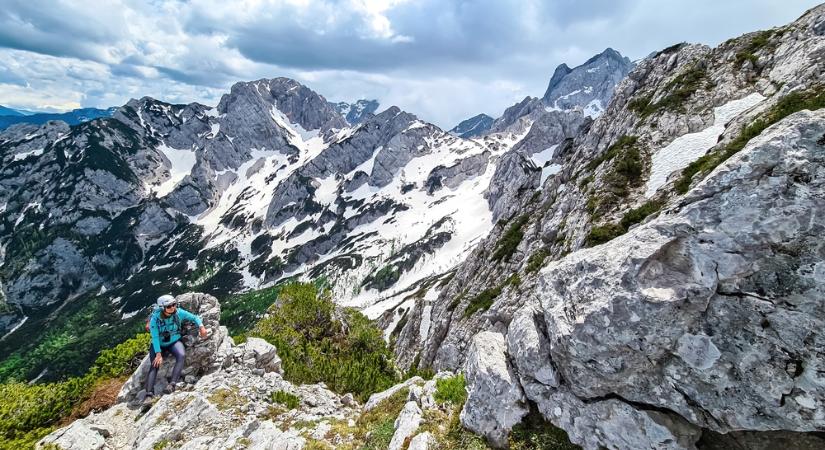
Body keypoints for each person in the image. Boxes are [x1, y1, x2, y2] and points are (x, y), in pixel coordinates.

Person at [144, 294, 207, 404]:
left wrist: (201, 327)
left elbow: (194, 317)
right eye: (169, 306)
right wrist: (158, 354)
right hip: (158, 343)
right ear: (162, 308)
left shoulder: (178, 313)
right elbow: (154, 337)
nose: (172, 308)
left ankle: (172, 384)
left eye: (174, 304)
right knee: (154, 365)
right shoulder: (155, 319)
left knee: (181, 355)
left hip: (174, 341)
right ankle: (149, 395)